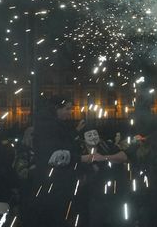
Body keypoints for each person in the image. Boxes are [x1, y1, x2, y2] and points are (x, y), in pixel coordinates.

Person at [31, 96, 106, 227]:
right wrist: (81, 159)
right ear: (56, 109)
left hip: (58, 180)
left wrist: (75, 131)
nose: (70, 112)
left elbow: (61, 143)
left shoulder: (55, 124)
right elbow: (53, 155)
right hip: (55, 182)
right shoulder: (49, 126)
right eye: (67, 108)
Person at [79, 125, 131, 226]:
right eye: (90, 135)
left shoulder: (107, 145)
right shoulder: (79, 150)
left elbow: (123, 156)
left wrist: (104, 158)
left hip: (113, 192)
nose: (93, 137)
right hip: (91, 195)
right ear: (83, 139)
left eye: (95, 134)